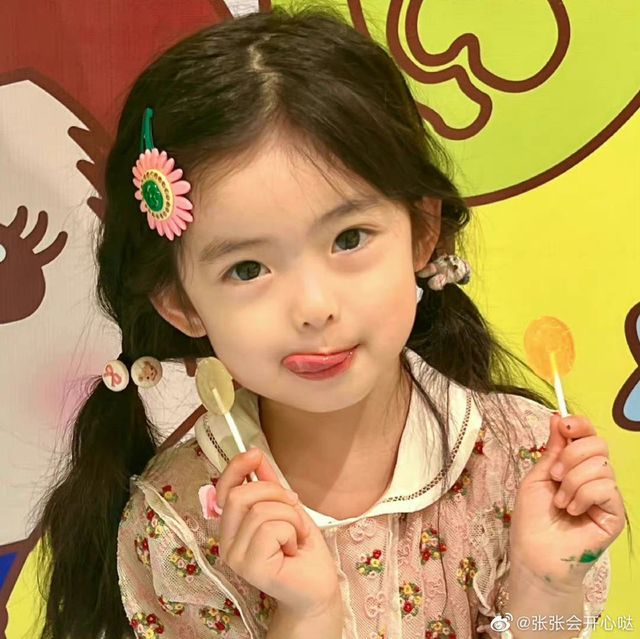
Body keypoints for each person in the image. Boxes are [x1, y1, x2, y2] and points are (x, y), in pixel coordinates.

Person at [34, 5, 628, 639]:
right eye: (247, 269)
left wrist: (547, 588)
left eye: (349, 238)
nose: (314, 307)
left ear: (422, 232)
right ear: (180, 302)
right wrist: (305, 617)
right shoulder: (181, 520)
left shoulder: (525, 458)